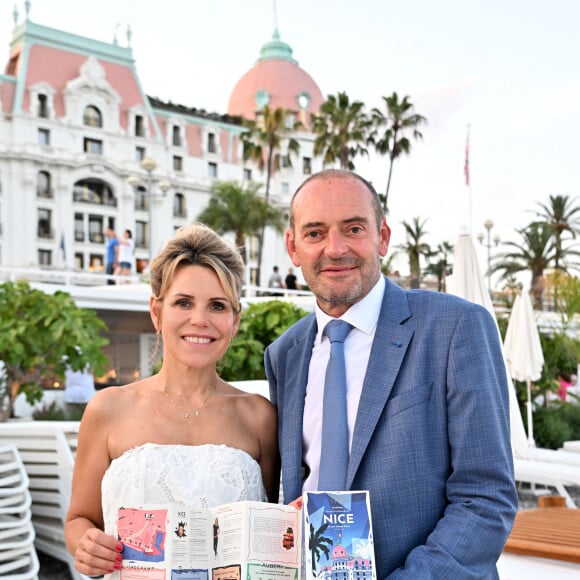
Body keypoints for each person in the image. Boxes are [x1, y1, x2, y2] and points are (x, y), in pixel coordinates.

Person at [265, 169, 517, 578]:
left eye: (353, 228)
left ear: (382, 237)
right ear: (293, 248)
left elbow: (485, 498)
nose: (335, 248)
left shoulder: (455, 328)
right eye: (315, 233)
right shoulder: (285, 354)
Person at [65, 223, 279, 577]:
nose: (200, 320)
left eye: (217, 305)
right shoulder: (107, 409)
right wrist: (86, 544)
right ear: (156, 312)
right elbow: (78, 519)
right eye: (183, 302)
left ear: (235, 321)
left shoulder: (259, 417)